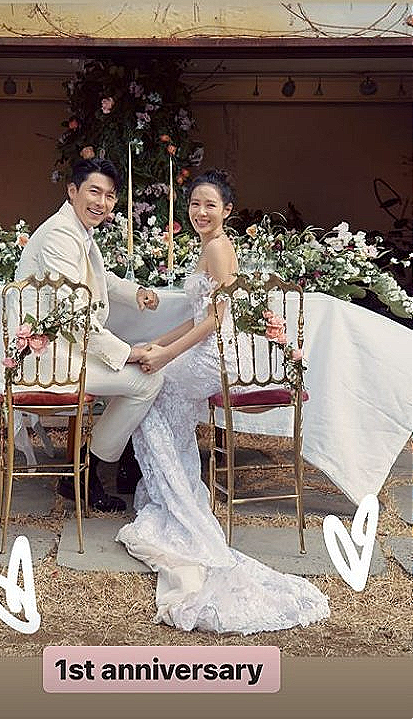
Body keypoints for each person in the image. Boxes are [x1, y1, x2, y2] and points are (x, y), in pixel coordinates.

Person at [116, 169, 330, 635]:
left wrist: (166, 355)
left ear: (227, 210)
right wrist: (158, 343)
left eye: (210, 204)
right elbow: (198, 313)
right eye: (194, 203)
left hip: (215, 356)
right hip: (204, 348)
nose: (200, 211)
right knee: (153, 391)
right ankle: (174, 493)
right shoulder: (209, 246)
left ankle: (179, 503)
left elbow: (217, 318)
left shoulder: (217, 247)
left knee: (151, 392)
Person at [14, 158, 163, 512]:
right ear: (73, 190)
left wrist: (136, 292)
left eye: (110, 196)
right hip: (46, 359)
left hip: (64, 350)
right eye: (94, 191)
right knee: (147, 381)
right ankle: (85, 472)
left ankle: (100, 468)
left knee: (138, 376)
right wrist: (129, 352)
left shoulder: (75, 228)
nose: (102, 202)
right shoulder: (60, 235)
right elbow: (73, 313)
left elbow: (100, 277)